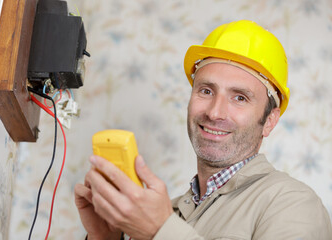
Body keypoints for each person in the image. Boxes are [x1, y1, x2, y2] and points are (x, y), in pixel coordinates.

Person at [74, 20, 332, 239]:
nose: (214, 112)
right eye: (206, 91)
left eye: (240, 97)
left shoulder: (293, 203)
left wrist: (160, 231)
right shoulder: (166, 212)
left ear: (270, 120)